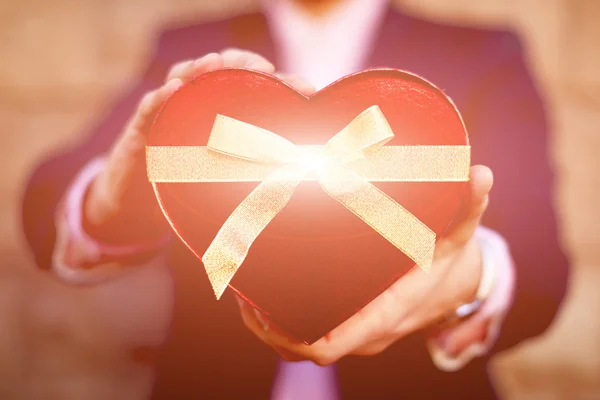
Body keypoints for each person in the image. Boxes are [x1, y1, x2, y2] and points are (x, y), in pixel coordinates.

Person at [21, 0, 569, 399]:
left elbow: (542, 265)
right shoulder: (191, 50)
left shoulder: (481, 51)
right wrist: (112, 203)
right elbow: (46, 199)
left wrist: (462, 282)